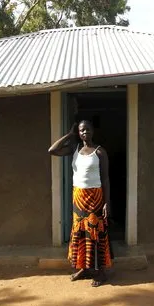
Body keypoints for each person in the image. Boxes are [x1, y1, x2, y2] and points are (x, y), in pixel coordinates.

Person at [48, 120, 113, 287]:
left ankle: (100, 272)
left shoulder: (100, 152)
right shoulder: (74, 149)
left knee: (95, 232)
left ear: (93, 131)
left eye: (88, 130)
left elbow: (105, 178)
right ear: (79, 132)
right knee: (79, 232)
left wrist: (107, 202)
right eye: (82, 130)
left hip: (96, 196)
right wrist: (69, 135)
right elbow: (52, 150)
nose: (85, 133)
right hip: (78, 196)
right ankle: (84, 268)